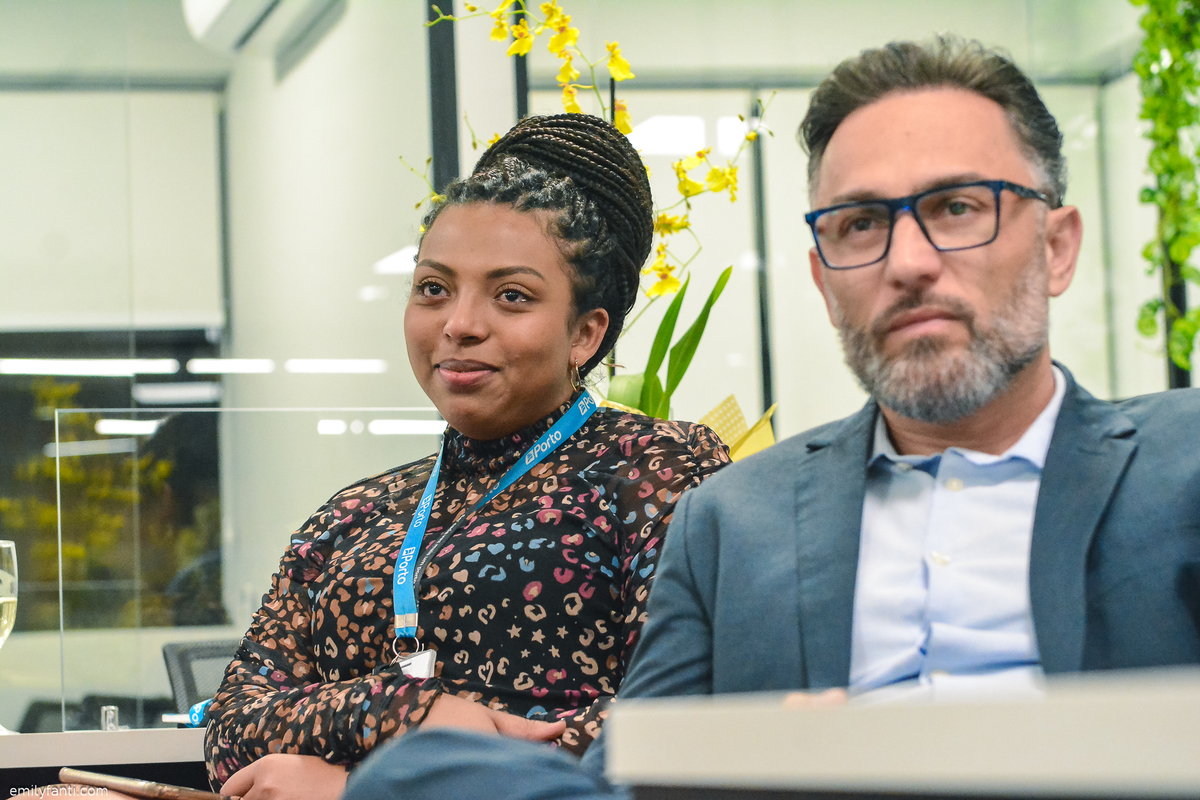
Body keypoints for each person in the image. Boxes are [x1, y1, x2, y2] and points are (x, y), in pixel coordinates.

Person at [341, 36, 1200, 800]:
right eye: (861, 224)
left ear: (1056, 247)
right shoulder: (734, 520)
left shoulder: (1181, 464)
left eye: (957, 208)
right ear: (826, 283)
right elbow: (628, 775)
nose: (907, 262)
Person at [204, 113, 731, 797]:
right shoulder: (354, 513)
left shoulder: (656, 471)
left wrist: (360, 788)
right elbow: (231, 726)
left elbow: (678, 723)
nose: (459, 324)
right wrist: (409, 714)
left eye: (511, 296)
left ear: (586, 332)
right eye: (433, 288)